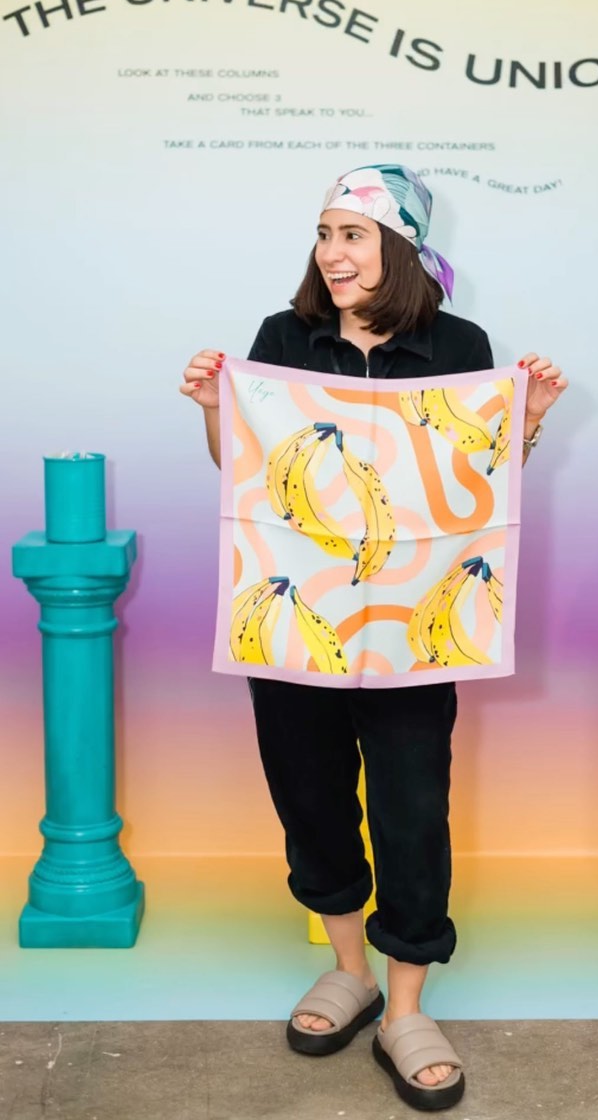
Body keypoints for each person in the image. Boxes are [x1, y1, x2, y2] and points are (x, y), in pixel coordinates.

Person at [180, 164, 568, 1111]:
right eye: (323, 234)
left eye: (351, 234)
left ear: (398, 247)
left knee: (410, 810)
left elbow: (480, 483)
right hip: (295, 626)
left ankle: (407, 1007)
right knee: (310, 797)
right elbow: (248, 474)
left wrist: (525, 424)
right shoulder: (284, 339)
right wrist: (214, 412)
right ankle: (348, 969)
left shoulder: (458, 346)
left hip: (412, 636)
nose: (332, 253)